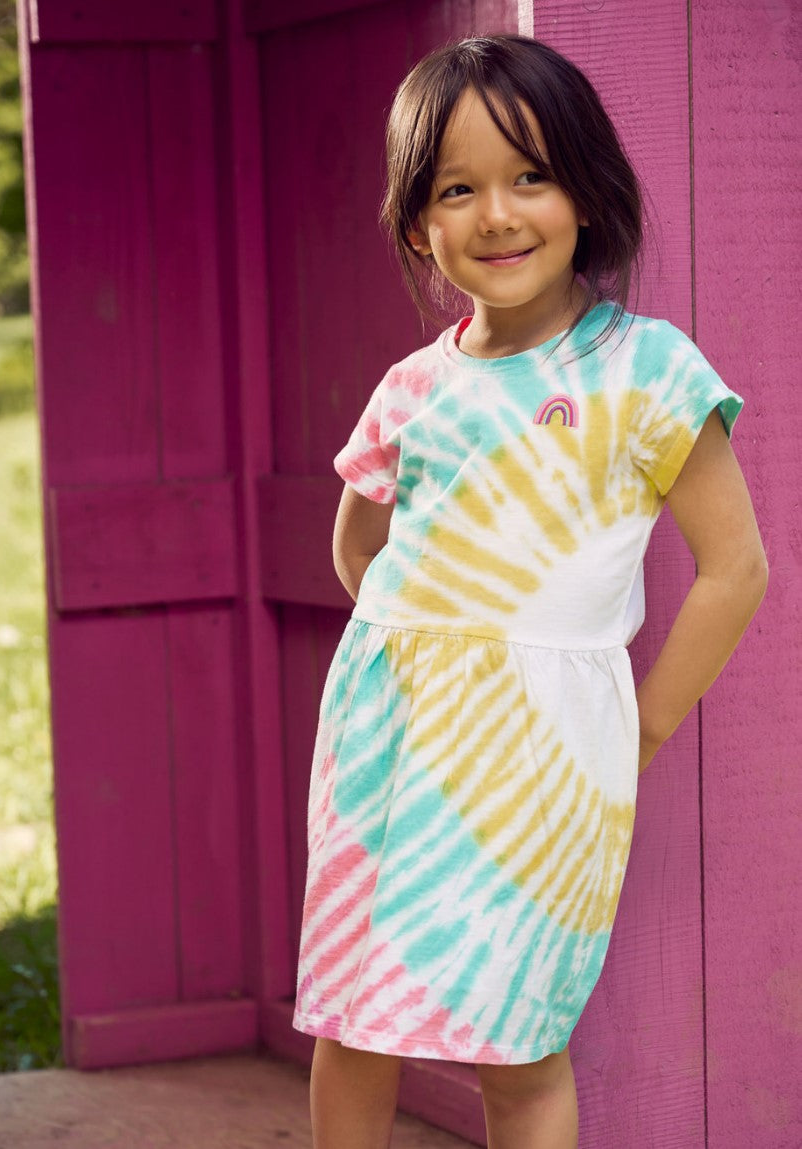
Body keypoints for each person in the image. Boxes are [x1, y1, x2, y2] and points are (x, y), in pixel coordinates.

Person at [291, 34, 767, 1149]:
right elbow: (360, 547)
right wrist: (411, 654)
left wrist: (636, 726)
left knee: (522, 1040)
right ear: (419, 224)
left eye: (530, 176)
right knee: (353, 1022)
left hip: (547, 760)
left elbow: (737, 570)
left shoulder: (646, 370)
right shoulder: (413, 385)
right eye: (458, 189)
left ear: (588, 195)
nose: (497, 215)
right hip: (389, 746)